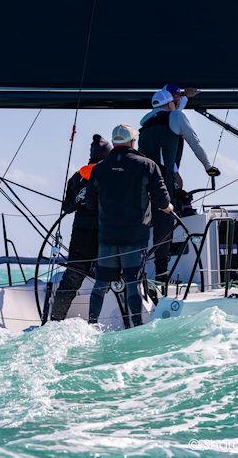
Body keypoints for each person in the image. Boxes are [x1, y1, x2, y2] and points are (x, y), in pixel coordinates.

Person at [85, 124, 173, 327]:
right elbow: (162, 199)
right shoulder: (147, 165)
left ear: (114, 143)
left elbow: (90, 203)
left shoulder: (99, 169)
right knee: (133, 281)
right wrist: (168, 207)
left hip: (107, 236)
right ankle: (136, 326)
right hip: (134, 236)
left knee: (101, 283)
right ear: (133, 141)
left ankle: (90, 325)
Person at [138, 84, 219, 282]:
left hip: (142, 180)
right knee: (164, 224)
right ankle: (161, 274)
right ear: (170, 102)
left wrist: (183, 97)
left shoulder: (146, 122)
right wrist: (208, 166)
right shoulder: (176, 117)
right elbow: (194, 141)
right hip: (163, 180)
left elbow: (170, 119)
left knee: (143, 224)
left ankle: (136, 271)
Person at [50, 134, 112, 321]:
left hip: (80, 234)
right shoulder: (109, 173)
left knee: (72, 277)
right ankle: (97, 321)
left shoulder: (78, 176)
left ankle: (55, 319)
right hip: (104, 233)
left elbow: (67, 208)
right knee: (106, 275)